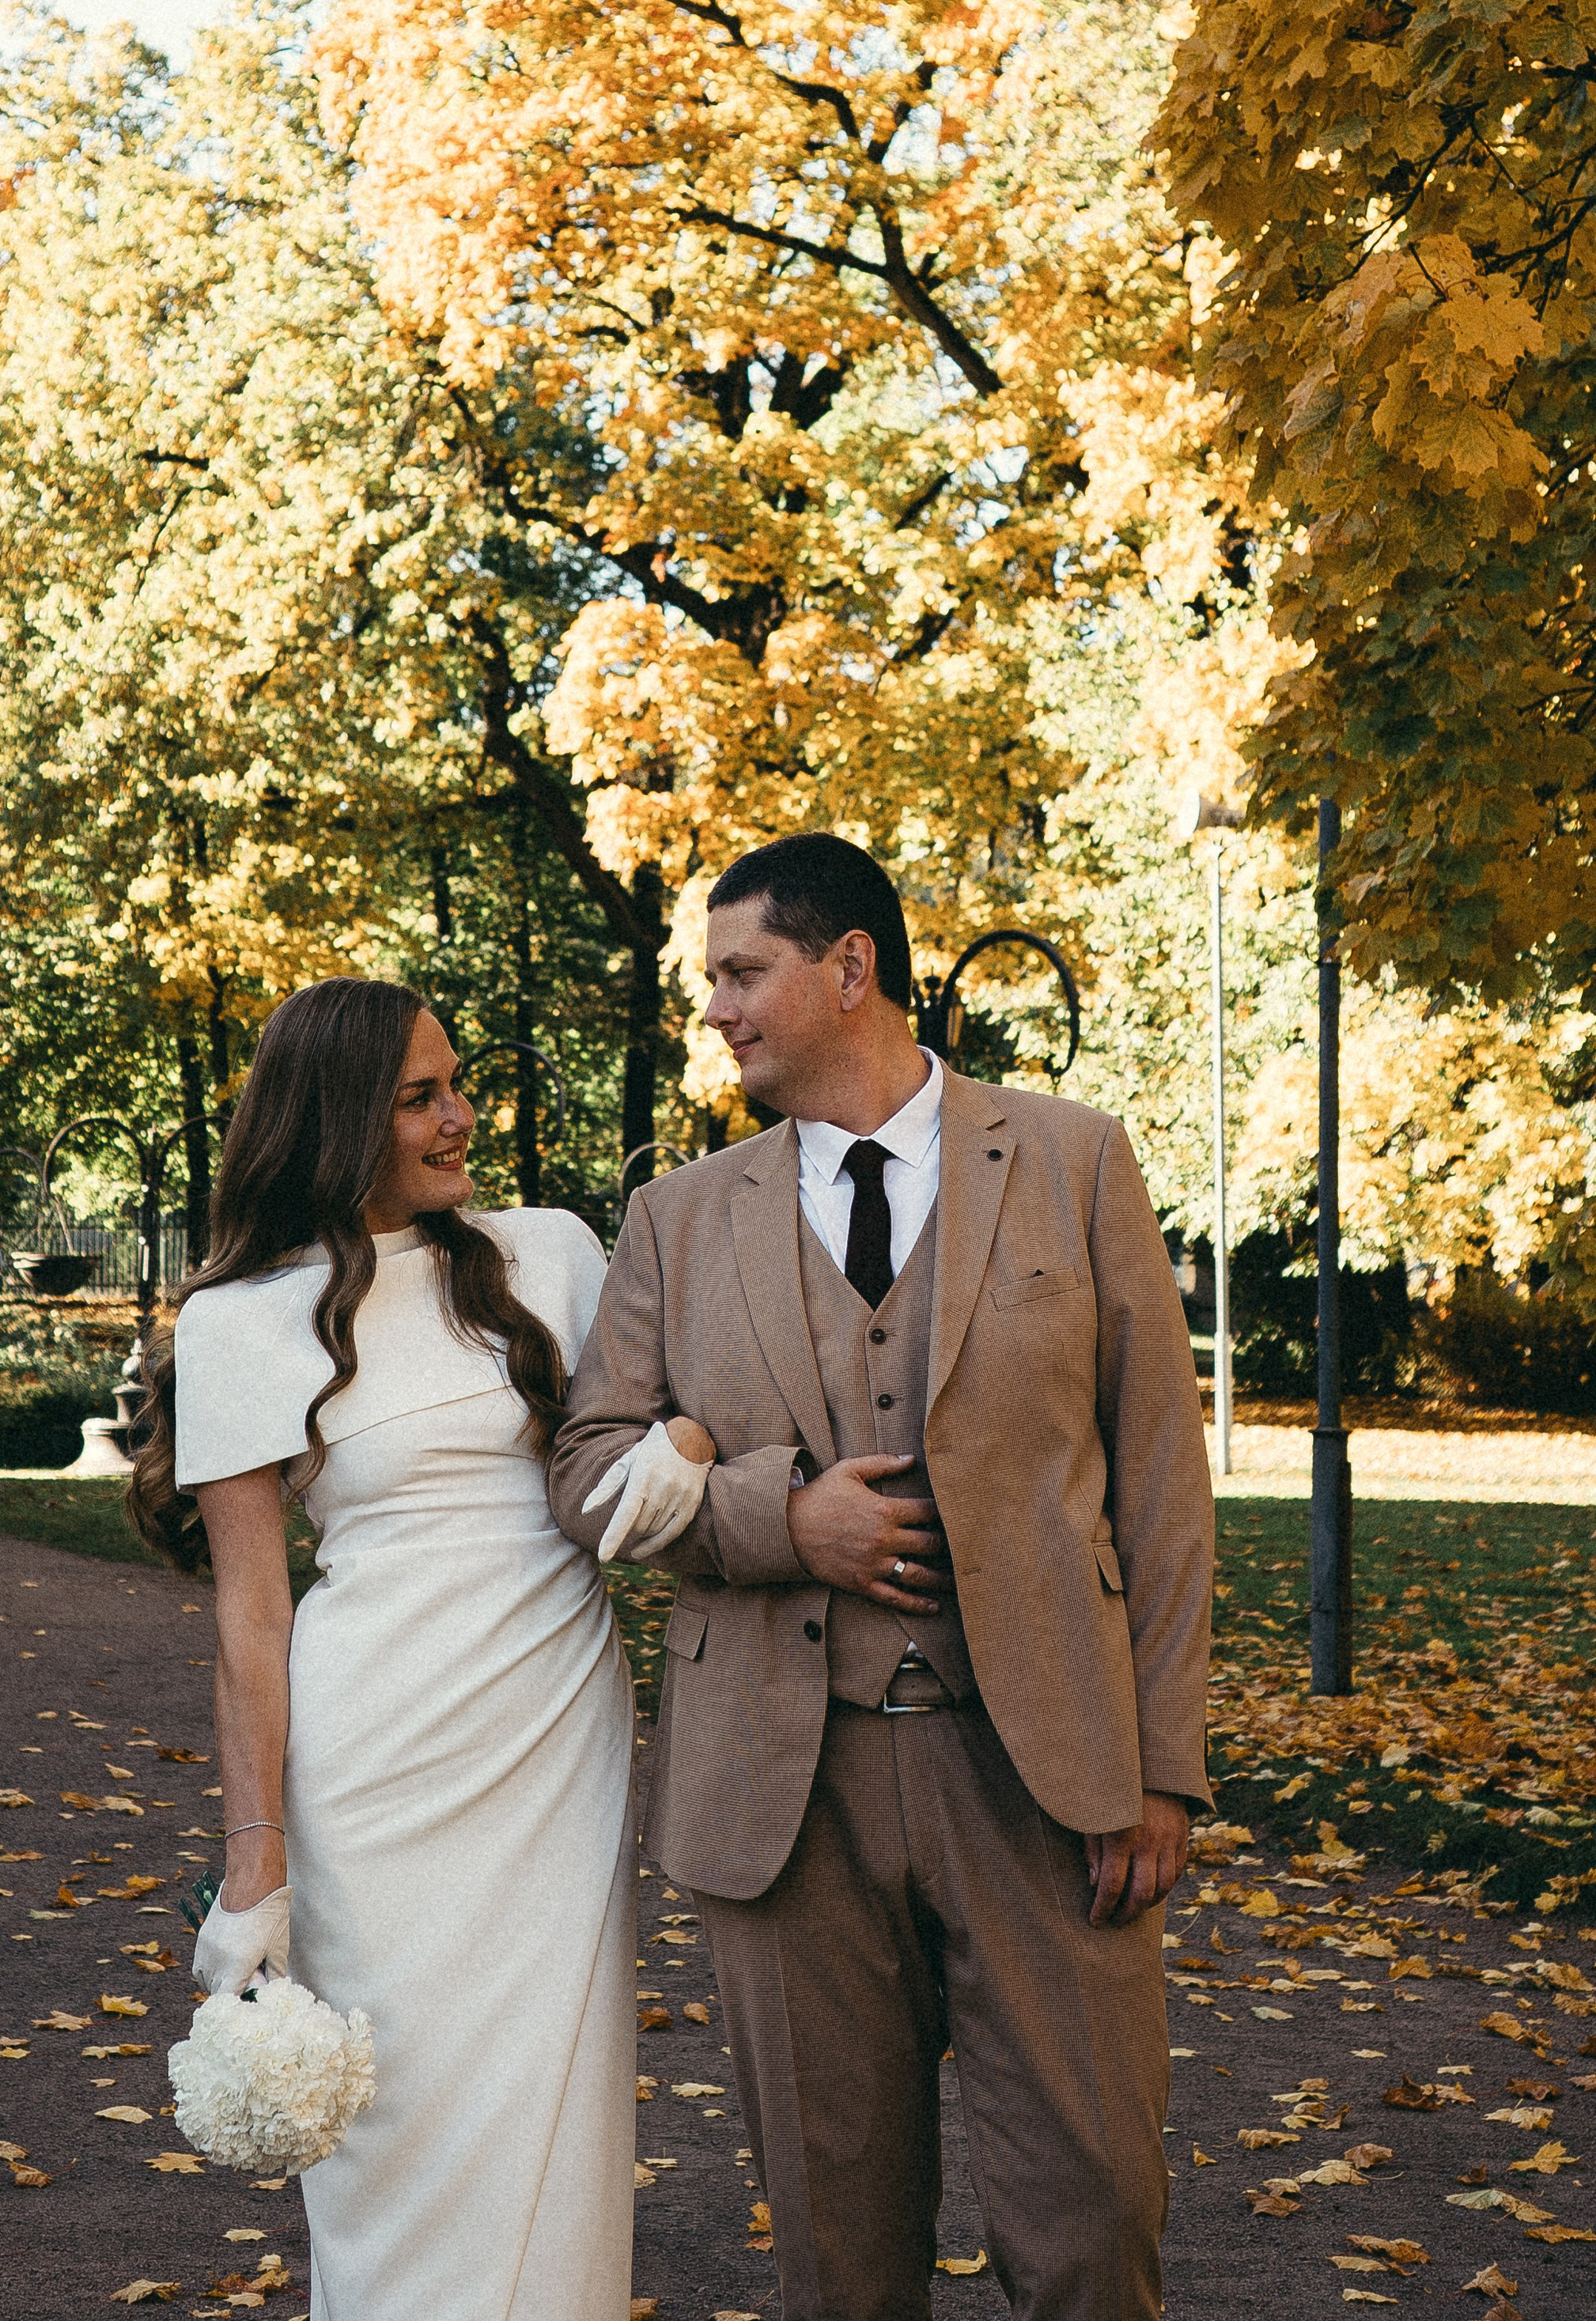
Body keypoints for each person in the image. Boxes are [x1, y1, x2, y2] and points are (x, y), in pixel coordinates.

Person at [550, 835, 1216, 2321]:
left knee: (1096, 2228)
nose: (715, 1010)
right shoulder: (678, 1215)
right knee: (841, 2262)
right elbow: (589, 1470)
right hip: (787, 1802)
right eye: (709, 979)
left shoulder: (1073, 1158)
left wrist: (1164, 1770)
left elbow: (1165, 1481)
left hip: (1044, 1777)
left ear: (852, 967)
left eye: (741, 973)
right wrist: (786, 1522)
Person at [130, 977, 680, 2321]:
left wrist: (694, 1459)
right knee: (399, 2140)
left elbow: (640, 1453)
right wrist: (254, 1867)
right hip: (373, 1770)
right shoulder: (240, 1320)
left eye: (458, 1083)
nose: (459, 1117)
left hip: (555, 1742)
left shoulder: (549, 1252)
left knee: (559, 2127)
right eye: (418, 1097)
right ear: (335, 1123)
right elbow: (252, 1621)